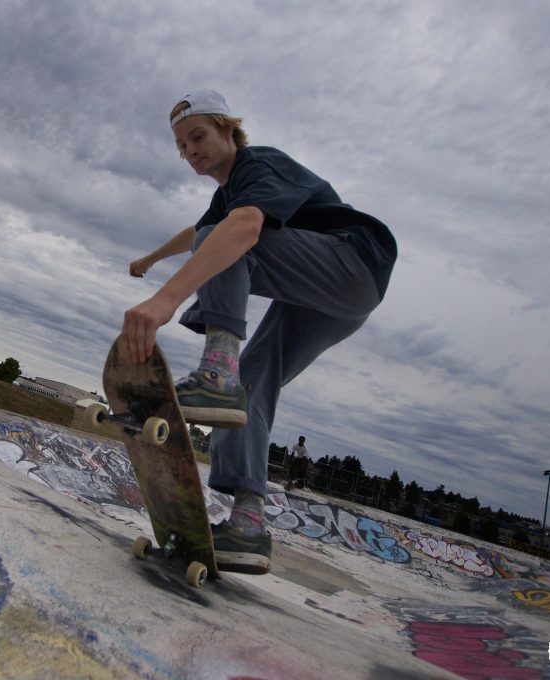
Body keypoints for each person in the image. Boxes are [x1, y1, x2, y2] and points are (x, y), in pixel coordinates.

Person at [121, 89, 397, 574]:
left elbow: (243, 228)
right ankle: (248, 523)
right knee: (256, 380)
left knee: (224, 239)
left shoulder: (258, 165)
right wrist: (151, 259)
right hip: (336, 301)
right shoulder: (228, 195)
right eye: (181, 145)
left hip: (353, 259)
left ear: (229, 130)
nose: (190, 151)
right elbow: (196, 231)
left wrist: (166, 300)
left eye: (198, 136)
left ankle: (216, 375)